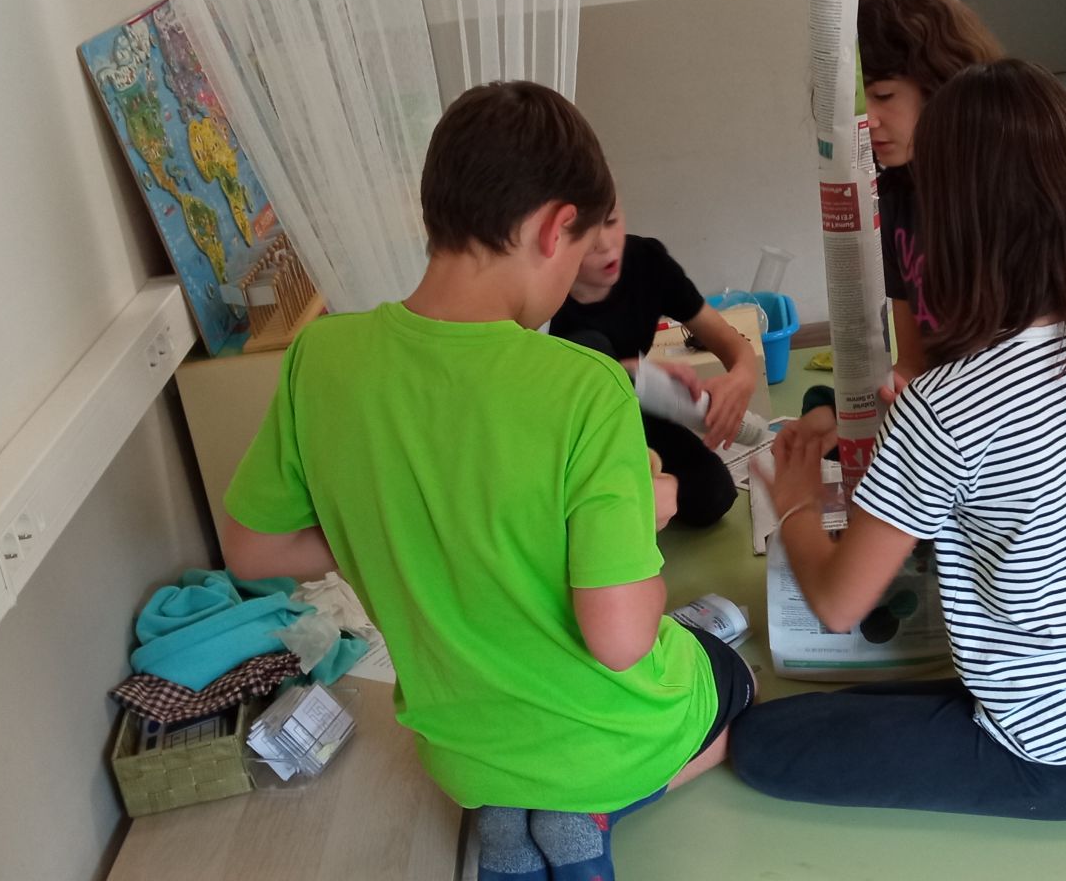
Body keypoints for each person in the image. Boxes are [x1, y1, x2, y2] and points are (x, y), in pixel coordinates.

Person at [218, 81, 754, 881]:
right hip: (608, 734)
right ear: (553, 228)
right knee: (733, 679)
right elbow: (619, 641)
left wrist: (404, 519)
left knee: (524, 777)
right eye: (580, 251)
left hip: (467, 754)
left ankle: (515, 825)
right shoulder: (583, 387)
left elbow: (253, 551)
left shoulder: (320, 358)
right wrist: (641, 517)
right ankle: (588, 811)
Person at [734, 61, 1066, 881]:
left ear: (954, 211)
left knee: (764, 742)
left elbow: (838, 603)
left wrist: (793, 499)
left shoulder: (950, 404)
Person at [550, 205, 760, 529]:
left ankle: (631, 499)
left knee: (714, 493)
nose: (605, 244)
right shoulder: (544, 293)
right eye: (586, 234)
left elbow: (729, 340)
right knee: (590, 347)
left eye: (611, 221)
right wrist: (631, 373)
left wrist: (742, 377)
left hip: (631, 411)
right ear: (554, 238)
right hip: (572, 432)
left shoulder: (646, 262)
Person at [859, 0, 1002, 386]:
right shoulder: (896, 199)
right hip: (943, 407)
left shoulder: (1002, 190)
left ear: (940, 82)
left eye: (883, 95)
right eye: (857, 102)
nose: (867, 119)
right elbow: (912, 363)